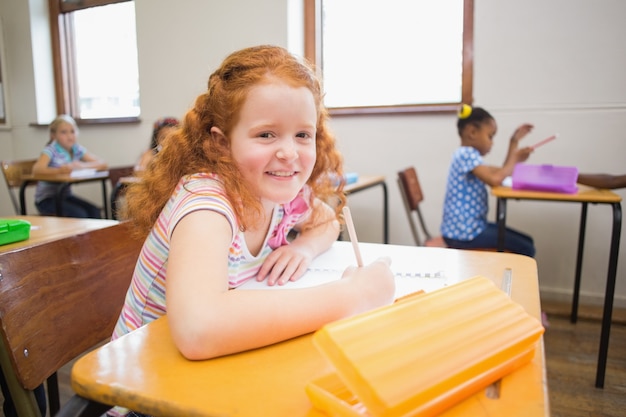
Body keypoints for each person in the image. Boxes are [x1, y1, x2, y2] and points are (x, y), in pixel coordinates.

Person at [109, 46, 394, 415]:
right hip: (142, 395)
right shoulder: (206, 203)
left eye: (303, 135)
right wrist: (353, 294)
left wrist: (303, 249)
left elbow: (325, 220)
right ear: (222, 143)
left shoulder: (278, 193)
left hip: (211, 380)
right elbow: (199, 328)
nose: (289, 153)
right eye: (266, 135)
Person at [440, 104, 536, 257]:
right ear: (472, 132)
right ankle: (512, 281)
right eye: (490, 136)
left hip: (469, 229)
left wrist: (514, 142)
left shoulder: (471, 157)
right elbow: (495, 179)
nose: (492, 142)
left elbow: (502, 172)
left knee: (528, 241)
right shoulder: (466, 155)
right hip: (463, 234)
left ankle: (510, 280)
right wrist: (516, 159)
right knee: (526, 249)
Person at [32, 114, 108, 218]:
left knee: (94, 211)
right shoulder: (50, 150)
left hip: (65, 196)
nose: (69, 136)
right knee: (80, 214)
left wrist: (82, 166)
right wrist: (59, 171)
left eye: (72, 131)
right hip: (47, 199)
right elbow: (37, 170)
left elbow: (102, 164)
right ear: (54, 135)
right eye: (64, 132)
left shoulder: (76, 149)